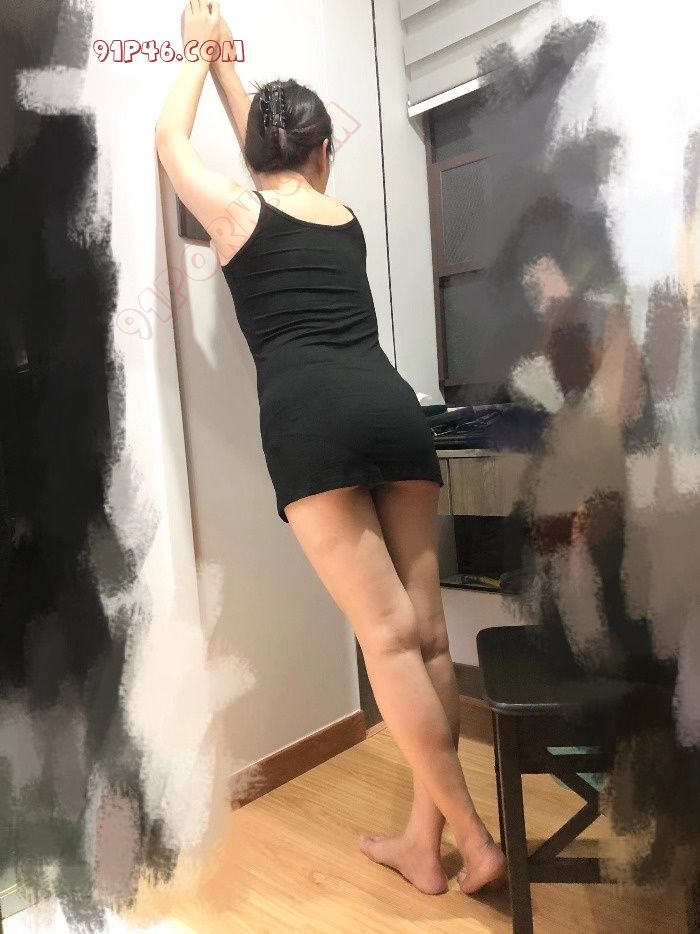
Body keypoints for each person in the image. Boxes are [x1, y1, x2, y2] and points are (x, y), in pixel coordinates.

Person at [155, 0, 505, 896]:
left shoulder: (236, 212)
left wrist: (198, 55)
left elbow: (171, 140)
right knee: (428, 638)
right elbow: (273, 155)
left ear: (263, 153)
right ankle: (423, 844)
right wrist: (231, 62)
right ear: (322, 152)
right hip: (391, 407)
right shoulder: (340, 214)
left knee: (384, 641)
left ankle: (472, 838)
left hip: (310, 419)